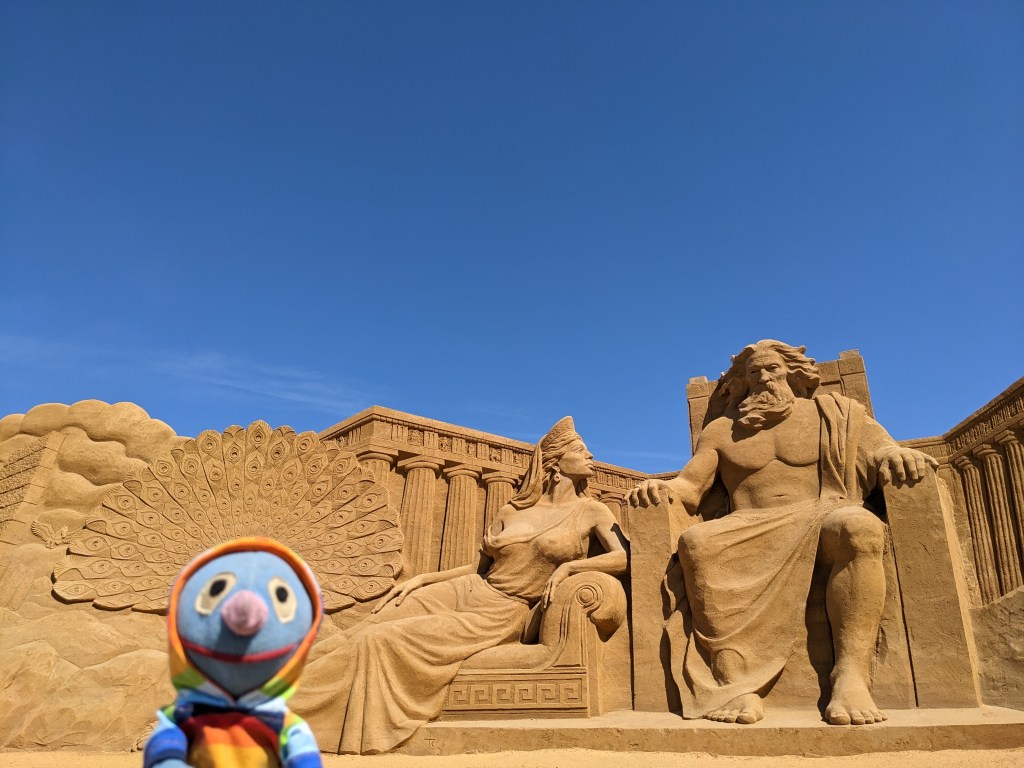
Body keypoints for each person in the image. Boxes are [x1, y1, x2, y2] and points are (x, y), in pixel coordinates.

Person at [628, 340, 937, 726]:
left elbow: (880, 451)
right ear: (742, 381)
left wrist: (895, 454)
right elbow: (690, 485)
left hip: (823, 511)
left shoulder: (835, 413)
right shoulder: (721, 431)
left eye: (771, 368)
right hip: (749, 522)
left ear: (791, 372)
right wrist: (661, 488)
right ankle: (735, 683)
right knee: (697, 542)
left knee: (858, 526)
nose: (763, 378)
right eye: (753, 372)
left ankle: (851, 675)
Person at [298, 416, 627, 754]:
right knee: (370, 623)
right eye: (580, 450)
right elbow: (476, 569)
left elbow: (622, 557)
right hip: (466, 590)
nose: (590, 456)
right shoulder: (512, 510)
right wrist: (422, 580)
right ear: (555, 464)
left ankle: (297, 714)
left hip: (501, 611)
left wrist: (571, 567)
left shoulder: (592, 511)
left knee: (379, 639)